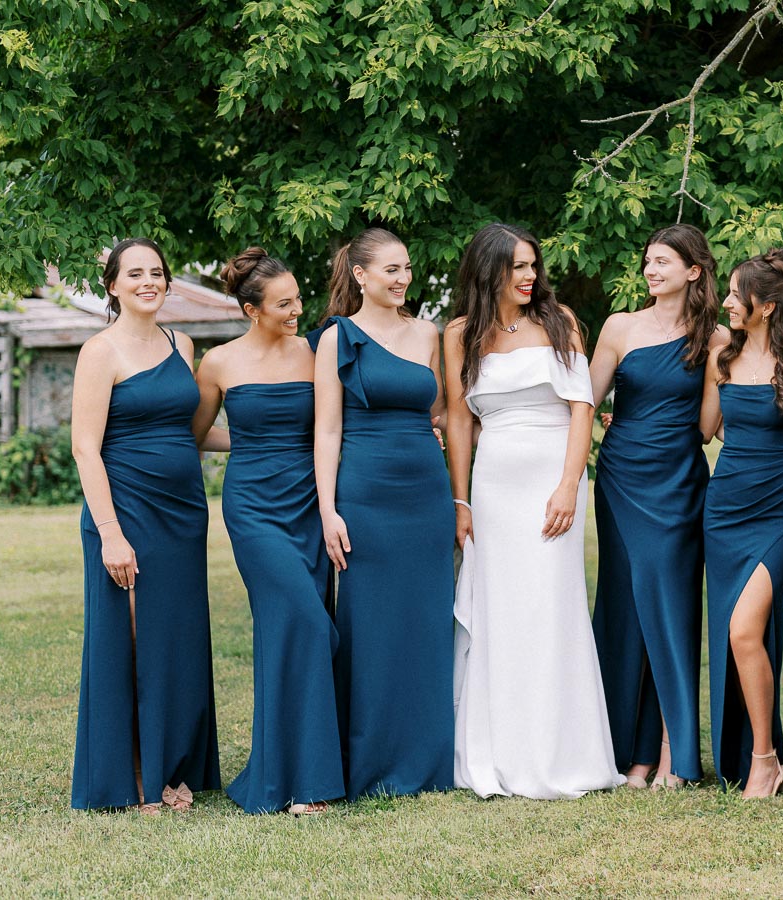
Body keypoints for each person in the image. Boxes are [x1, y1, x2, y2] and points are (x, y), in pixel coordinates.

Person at [445, 223, 624, 799]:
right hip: (494, 487)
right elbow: (459, 421)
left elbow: (581, 406)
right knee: (500, 611)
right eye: (516, 266)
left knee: (551, 607)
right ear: (487, 270)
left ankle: (560, 752)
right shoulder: (459, 335)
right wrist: (461, 499)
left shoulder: (559, 321)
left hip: (551, 479)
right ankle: (497, 749)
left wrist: (571, 483)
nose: (528, 276)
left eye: (531, 265)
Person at [190, 247, 343, 815]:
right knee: (306, 621)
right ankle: (300, 776)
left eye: (299, 297)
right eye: (284, 303)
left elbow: (336, 423)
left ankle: (304, 777)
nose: (298, 309)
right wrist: (252, 443)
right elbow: (198, 434)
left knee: (292, 630)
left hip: (310, 503)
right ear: (252, 310)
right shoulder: (219, 363)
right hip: (253, 509)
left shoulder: (315, 351)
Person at [70, 237, 220, 813]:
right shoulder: (99, 352)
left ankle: (174, 764)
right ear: (112, 285)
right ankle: (135, 778)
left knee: (175, 642)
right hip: (125, 510)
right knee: (130, 640)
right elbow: (86, 449)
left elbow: (193, 433)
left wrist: (276, 441)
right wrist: (109, 531)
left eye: (156, 272)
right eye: (134, 274)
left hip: (183, 514)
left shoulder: (182, 344)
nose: (148, 282)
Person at [309, 227, 454, 801]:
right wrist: (328, 509)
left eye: (407, 269)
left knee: (425, 624)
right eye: (391, 269)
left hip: (425, 493)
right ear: (361, 275)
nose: (402, 279)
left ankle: (427, 760)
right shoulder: (334, 339)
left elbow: (438, 409)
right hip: (364, 492)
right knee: (369, 629)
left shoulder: (428, 332)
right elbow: (327, 428)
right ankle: (368, 761)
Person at [588, 223, 727, 788]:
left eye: (664, 261)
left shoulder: (715, 337)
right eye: (648, 260)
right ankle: (628, 753)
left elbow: (707, 427)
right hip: (620, 480)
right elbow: (587, 400)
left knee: (671, 610)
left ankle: (675, 751)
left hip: (677, 485)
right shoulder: (620, 326)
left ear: (694, 271)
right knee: (623, 609)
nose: (651, 269)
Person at [700, 249, 783, 797]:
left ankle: (766, 758)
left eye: (734, 294)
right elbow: (710, 428)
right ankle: (762, 758)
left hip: (780, 510)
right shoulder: (721, 351)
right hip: (724, 508)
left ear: (767, 306)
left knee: (744, 629)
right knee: (735, 636)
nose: (725, 303)